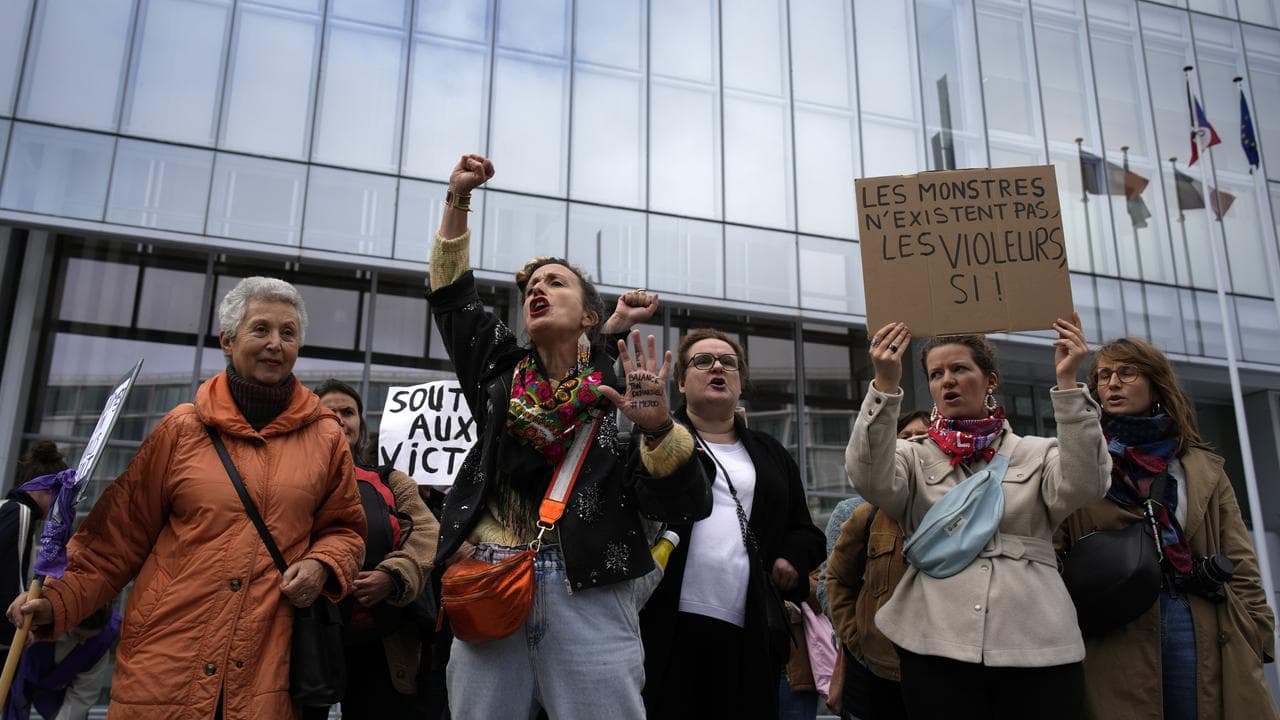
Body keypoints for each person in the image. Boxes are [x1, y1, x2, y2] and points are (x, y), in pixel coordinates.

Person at [426, 153, 712, 720]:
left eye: (555, 283)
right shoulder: (497, 372)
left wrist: (658, 429)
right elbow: (454, 296)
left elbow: (687, 502)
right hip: (491, 580)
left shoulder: (625, 387)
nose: (538, 289)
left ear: (588, 316)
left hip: (593, 589)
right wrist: (458, 197)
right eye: (532, 285)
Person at [6, 277, 366, 720]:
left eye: (288, 333)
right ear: (227, 341)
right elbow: (112, 542)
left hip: (266, 669)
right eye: (261, 329)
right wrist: (57, 602)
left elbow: (346, 531)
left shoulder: (326, 436)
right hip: (165, 664)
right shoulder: (181, 429)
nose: (276, 343)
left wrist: (322, 563)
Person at [846, 317, 1108, 720]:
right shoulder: (913, 455)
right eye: (936, 374)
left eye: (960, 369)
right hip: (935, 645)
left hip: (1038, 643)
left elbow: (1087, 484)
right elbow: (867, 475)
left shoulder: (1037, 453)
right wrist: (884, 384)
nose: (947, 380)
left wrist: (1069, 384)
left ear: (990, 380)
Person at [1057, 337, 1279, 720]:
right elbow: (1055, 549)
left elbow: (1240, 559)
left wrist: (1257, 632)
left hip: (1194, 617)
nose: (1112, 383)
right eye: (1104, 375)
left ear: (1156, 384)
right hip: (1111, 625)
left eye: (1127, 372)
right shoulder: (1079, 460)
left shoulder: (1199, 466)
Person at [641, 327, 826, 719]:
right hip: (663, 623)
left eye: (728, 363)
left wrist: (790, 560)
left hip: (749, 630)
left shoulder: (771, 454)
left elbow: (807, 531)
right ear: (680, 382)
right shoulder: (654, 440)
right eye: (703, 361)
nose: (717, 368)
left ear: (740, 382)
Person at [313, 379, 439, 717]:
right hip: (309, 642)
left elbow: (427, 531)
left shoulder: (390, 481)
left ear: (360, 425)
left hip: (381, 645)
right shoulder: (290, 479)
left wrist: (394, 576)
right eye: (329, 411)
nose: (340, 418)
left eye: (348, 412)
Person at [825, 411, 927, 720]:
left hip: (937, 672)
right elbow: (833, 581)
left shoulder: (956, 507)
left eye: (922, 437)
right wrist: (860, 643)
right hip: (874, 679)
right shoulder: (861, 512)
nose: (912, 445)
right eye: (905, 437)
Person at [2, 442, 67, 653]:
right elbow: (10, 576)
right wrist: (20, 628)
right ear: (44, 489)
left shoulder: (6, 508)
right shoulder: (20, 513)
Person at [3, 604, 120, 720]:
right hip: (25, 673)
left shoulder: (99, 645)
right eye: (77, 635)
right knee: (14, 710)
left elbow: (81, 697)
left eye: (89, 638)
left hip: (59, 687)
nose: (82, 642)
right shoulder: (42, 614)